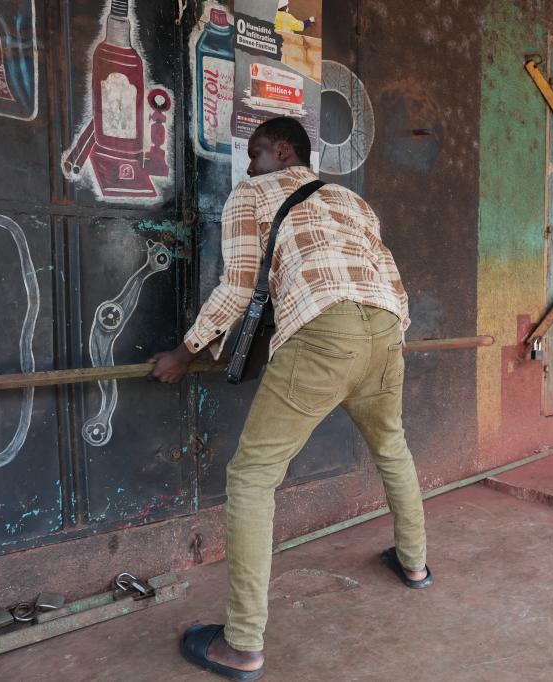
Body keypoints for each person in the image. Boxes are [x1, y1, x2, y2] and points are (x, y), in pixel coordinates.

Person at [149, 117, 430, 680]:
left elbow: (238, 286)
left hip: (324, 328)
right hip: (386, 329)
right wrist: (389, 333)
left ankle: (242, 643)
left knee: (253, 477)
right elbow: (392, 276)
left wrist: (184, 351)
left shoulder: (252, 192)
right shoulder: (353, 200)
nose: (249, 165)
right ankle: (415, 564)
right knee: (392, 446)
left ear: (281, 151)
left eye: (254, 154)